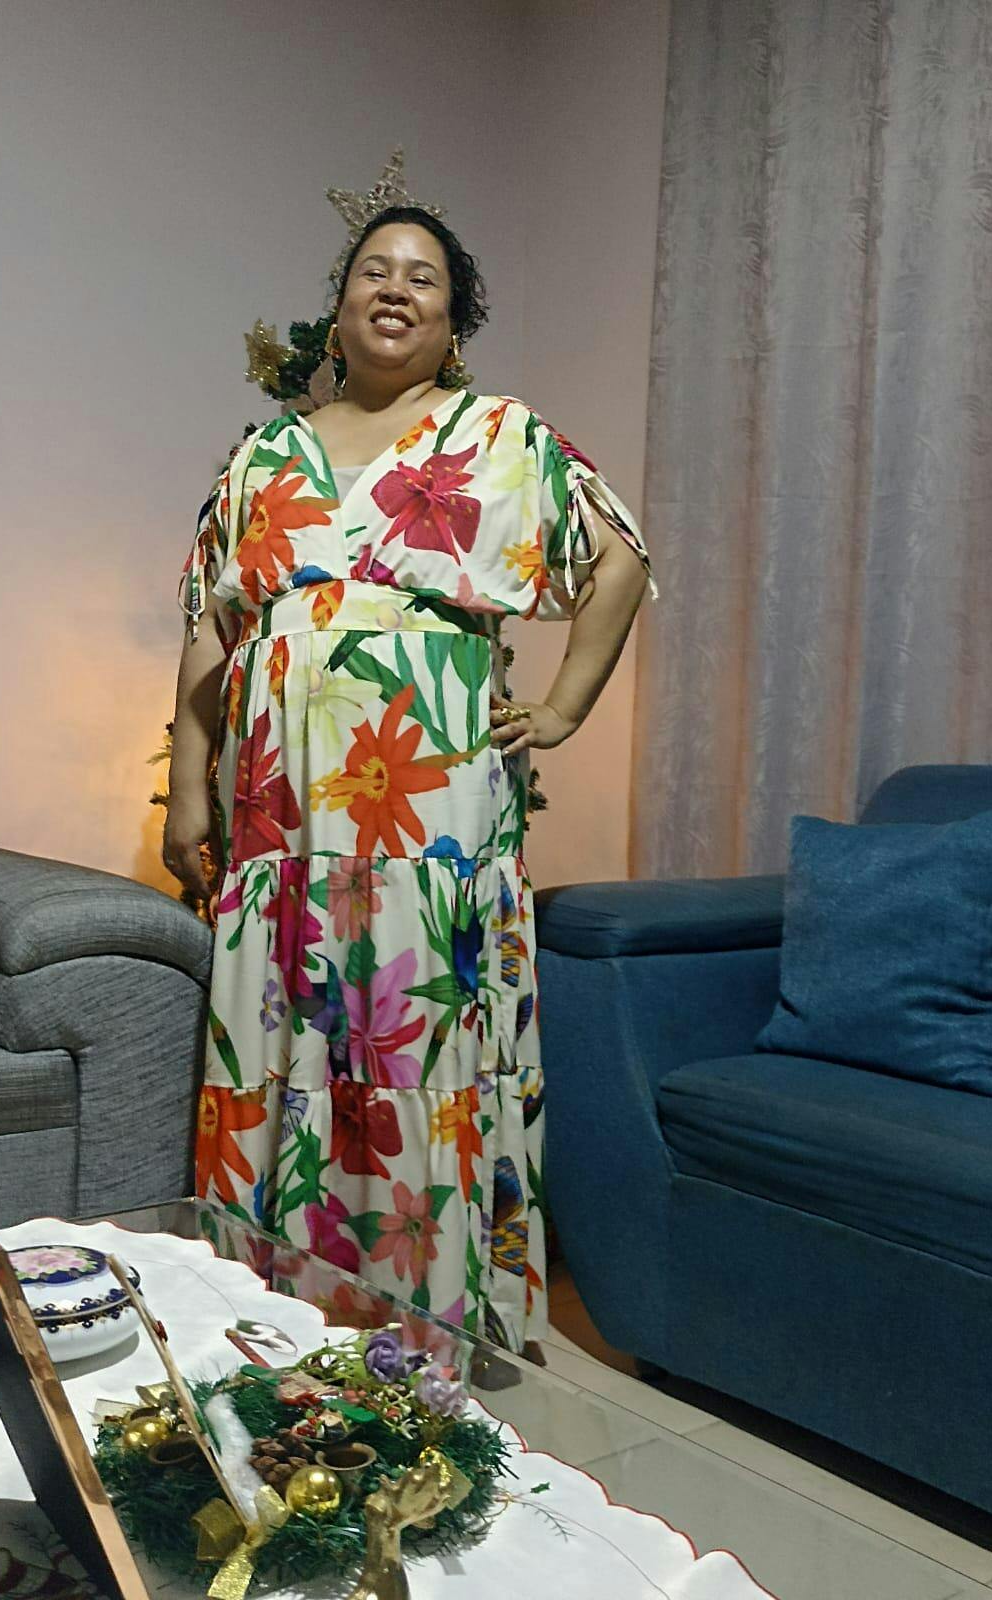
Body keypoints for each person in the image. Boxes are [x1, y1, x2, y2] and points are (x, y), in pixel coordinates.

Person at [165, 205, 655, 1356]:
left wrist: (564, 707)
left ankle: (420, 1333)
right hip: (283, 817)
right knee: (277, 1034)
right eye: (373, 270)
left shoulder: (500, 435)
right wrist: (190, 785)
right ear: (339, 307)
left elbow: (618, 558)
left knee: (414, 1031)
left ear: (454, 319)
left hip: (427, 815)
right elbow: (207, 629)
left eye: (423, 277)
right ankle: (272, 1325)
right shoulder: (263, 456)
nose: (395, 288)